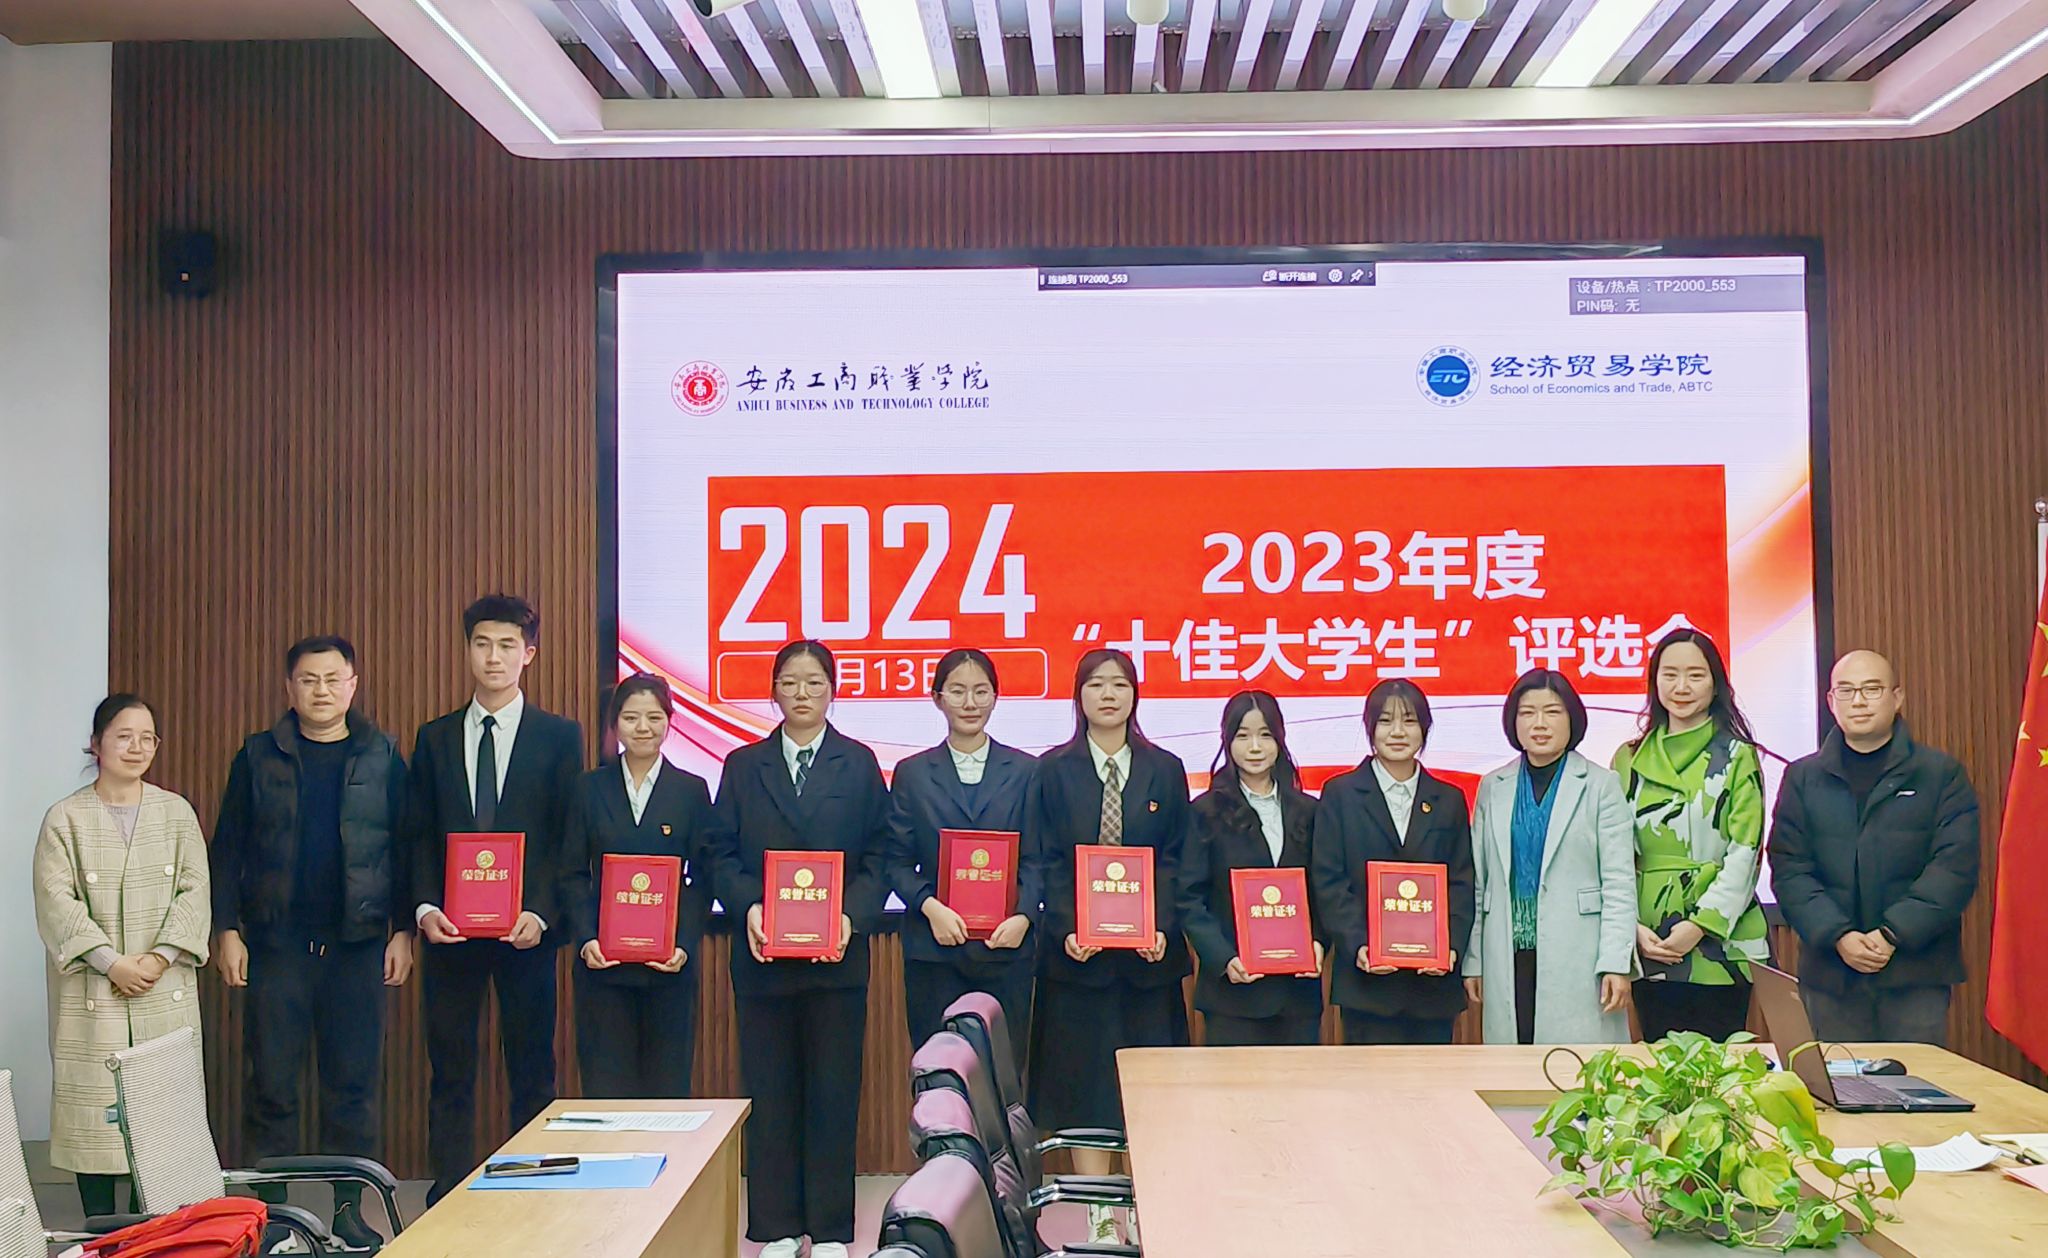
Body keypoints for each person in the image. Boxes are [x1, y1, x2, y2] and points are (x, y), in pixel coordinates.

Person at [209, 635, 410, 1244]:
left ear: (353, 685)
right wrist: (226, 929)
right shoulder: (257, 756)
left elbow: (406, 848)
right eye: (308, 679)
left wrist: (403, 930)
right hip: (277, 946)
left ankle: (349, 1212)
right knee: (271, 1084)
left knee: (353, 1086)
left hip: (357, 946)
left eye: (332, 679)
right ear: (289, 687)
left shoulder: (382, 755)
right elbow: (228, 849)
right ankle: (271, 1220)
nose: (321, 691)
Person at [705, 641, 888, 1258]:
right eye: (790, 682)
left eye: (814, 682)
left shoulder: (858, 763)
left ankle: (831, 1229)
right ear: (773, 691)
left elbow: (882, 853)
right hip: (763, 960)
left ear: (833, 690)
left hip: (837, 960)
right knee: (772, 1090)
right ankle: (777, 1226)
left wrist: (850, 916)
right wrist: (749, 907)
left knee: (833, 1093)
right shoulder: (743, 765)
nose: (802, 693)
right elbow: (718, 853)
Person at [404, 595, 584, 1202]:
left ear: (529, 654)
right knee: (450, 1065)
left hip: (526, 931)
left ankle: (534, 1185)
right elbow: (419, 834)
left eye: (508, 645)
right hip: (449, 931)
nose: (494, 657)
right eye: (482, 644)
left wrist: (542, 911)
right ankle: (449, 1187)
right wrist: (425, 907)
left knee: (531, 1062)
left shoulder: (559, 737)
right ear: (467, 650)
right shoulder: (434, 738)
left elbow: (566, 836)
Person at [1029, 649, 1190, 1246]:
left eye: (1119, 684)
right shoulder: (1052, 770)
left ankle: (1145, 1209)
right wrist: (1067, 927)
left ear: (1134, 695)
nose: (1108, 695)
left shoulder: (1165, 769)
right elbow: (1043, 859)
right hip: (1077, 962)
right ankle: (1100, 1219)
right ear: (1079, 696)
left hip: (1148, 964)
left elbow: (1178, 859)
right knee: (1085, 1090)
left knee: (1147, 1092)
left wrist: (1161, 926)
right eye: (1095, 685)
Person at [33, 695, 210, 1218]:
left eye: (147, 738)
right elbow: (56, 900)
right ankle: (98, 1230)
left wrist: (159, 957)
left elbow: (195, 890)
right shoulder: (65, 818)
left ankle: (149, 1232)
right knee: (94, 1115)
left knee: (160, 1118)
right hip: (95, 987)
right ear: (96, 744)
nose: (137, 747)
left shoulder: (175, 812)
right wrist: (112, 962)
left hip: (163, 983)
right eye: (123, 736)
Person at [1768, 649, 1980, 1045]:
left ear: (1897, 697)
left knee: (1915, 1081)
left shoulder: (1940, 775)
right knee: (1837, 1081)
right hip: (1830, 974)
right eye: (1846, 691)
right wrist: (1839, 935)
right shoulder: (1803, 777)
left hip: (1915, 972)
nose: (1859, 701)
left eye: (1871, 689)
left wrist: (1893, 933)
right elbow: (1789, 867)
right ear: (1830, 701)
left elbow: (1954, 867)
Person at [559, 673, 713, 1098]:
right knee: (606, 1092)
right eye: (630, 718)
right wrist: (587, 939)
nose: (643, 727)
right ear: (614, 724)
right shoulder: (588, 788)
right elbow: (571, 872)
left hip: (670, 969)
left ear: (669, 721)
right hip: (603, 969)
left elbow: (703, 878)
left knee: (667, 1091)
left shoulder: (691, 790)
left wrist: (683, 943)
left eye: (654, 717)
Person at [1613, 629, 1770, 1042]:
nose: (1681, 687)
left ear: (1715, 684)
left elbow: (1746, 852)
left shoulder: (1737, 755)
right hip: (1651, 938)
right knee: (1658, 1066)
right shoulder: (1629, 757)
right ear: (1654, 682)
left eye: (1695, 675)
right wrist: (1631, 927)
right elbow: (1613, 854)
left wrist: (1700, 926)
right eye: (1670, 674)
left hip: (1721, 941)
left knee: (1719, 1067)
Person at [1464, 670, 1636, 1045]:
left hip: (1579, 950)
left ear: (1573, 718)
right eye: (1527, 713)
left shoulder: (1601, 785)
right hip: (1506, 950)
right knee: (1512, 1063)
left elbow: (1620, 883)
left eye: (1552, 712)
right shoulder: (1493, 786)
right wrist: (1474, 958)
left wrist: (1615, 961)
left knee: (1578, 1064)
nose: (1539, 723)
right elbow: (1480, 881)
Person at [884, 648, 1042, 1049]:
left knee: (1003, 1070)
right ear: (937, 698)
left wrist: (1024, 916)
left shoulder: (1027, 771)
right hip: (934, 949)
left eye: (981, 691)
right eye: (957, 691)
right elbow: (896, 861)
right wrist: (931, 907)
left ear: (996, 697)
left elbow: (1038, 859)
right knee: (937, 1069)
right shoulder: (913, 773)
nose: (970, 703)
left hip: (1006, 949)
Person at [1311, 679, 1475, 1045]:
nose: (1398, 732)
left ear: (1425, 729)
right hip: (1368, 983)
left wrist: (1450, 946)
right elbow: (1329, 880)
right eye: (1386, 721)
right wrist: (1359, 944)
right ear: (1370, 728)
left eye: (1409, 721)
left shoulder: (1448, 799)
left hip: (1432, 986)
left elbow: (1462, 882)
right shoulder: (1340, 794)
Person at [1176, 690, 1324, 1046]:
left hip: (1297, 996)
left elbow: (1325, 889)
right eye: (1243, 736)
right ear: (1227, 741)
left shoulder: (1309, 811)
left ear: (1280, 740)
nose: (1255, 747)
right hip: (1233, 995)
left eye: (1265, 735)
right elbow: (1188, 899)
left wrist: (1319, 942)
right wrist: (1223, 957)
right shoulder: (1205, 812)